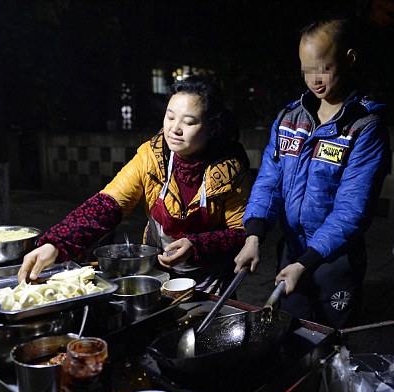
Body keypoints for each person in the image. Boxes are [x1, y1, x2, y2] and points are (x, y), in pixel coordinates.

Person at [19, 76, 252, 294]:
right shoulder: (151, 156)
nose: (175, 129)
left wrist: (197, 245)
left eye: (188, 122)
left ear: (211, 128)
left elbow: (241, 233)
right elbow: (107, 204)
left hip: (210, 280)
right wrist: (56, 244)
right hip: (158, 271)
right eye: (170, 117)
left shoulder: (229, 167)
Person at [233, 17, 391, 329]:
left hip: (336, 258)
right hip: (292, 249)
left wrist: (306, 263)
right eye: (306, 70)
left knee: (334, 335)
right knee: (291, 326)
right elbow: (269, 180)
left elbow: (352, 209)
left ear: (348, 59)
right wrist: (253, 235)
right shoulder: (290, 119)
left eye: (323, 67)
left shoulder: (364, 127)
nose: (314, 79)